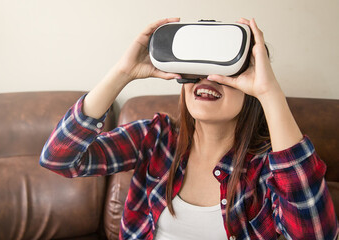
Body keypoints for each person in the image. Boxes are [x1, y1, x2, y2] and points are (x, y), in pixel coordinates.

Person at [40, 18, 338, 239]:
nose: (206, 79)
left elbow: (316, 235)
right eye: (193, 70)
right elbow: (59, 158)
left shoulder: (268, 169)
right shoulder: (154, 139)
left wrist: (270, 92)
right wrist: (122, 73)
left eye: (223, 73)